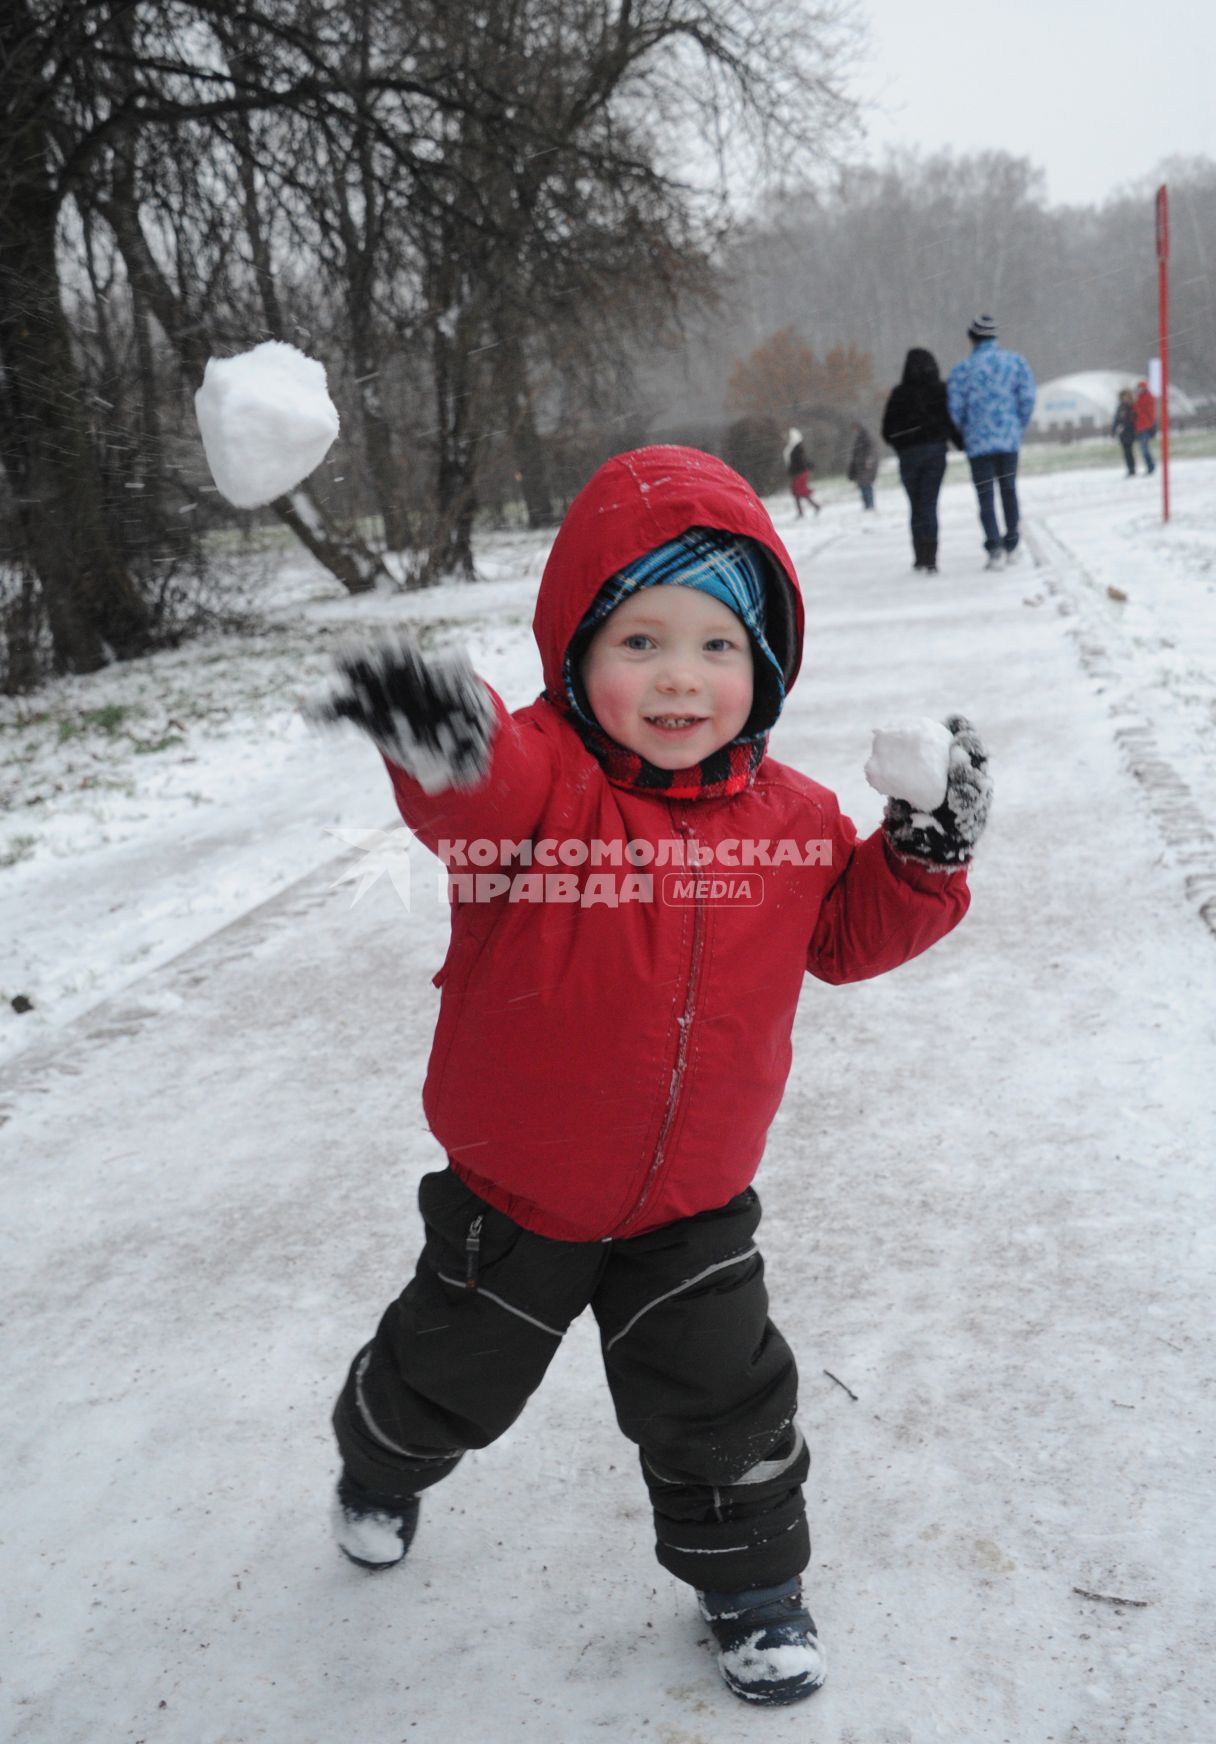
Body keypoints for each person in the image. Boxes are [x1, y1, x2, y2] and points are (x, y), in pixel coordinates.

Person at [310, 447, 991, 1709]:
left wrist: (918, 856)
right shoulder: (543, 791)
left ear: (765, 668)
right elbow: (474, 791)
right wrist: (441, 730)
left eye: (717, 646)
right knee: (444, 1379)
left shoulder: (790, 819)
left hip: (694, 1206)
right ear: (575, 655)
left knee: (724, 1406)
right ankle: (379, 1461)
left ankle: (750, 1588)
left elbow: (844, 938)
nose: (679, 674)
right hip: (516, 1195)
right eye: (639, 640)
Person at [946, 314, 1036, 571]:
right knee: (1009, 490)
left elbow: (955, 407)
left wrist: (966, 429)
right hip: (1008, 440)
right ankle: (1013, 542)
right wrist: (1017, 425)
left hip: (978, 443)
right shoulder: (1015, 363)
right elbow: (1027, 397)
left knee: (985, 496)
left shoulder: (962, 370)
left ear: (972, 339)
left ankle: (994, 546)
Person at [881, 348, 963, 573]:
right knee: (928, 504)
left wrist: (903, 443)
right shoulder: (940, 391)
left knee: (916, 506)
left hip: (908, 456)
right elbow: (950, 422)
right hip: (935, 453)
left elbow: (887, 431)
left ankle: (919, 555)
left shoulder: (899, 394)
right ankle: (931, 556)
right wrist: (959, 442)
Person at [783, 425, 822, 515]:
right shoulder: (794, 448)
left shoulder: (796, 449)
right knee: (797, 492)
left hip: (800, 473)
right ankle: (807, 509)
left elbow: (801, 460)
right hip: (798, 473)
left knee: (799, 491)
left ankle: (814, 507)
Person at [846, 422, 878, 512]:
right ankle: (867, 504)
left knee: (866, 485)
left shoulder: (865, 437)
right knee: (863, 486)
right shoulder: (859, 437)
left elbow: (871, 449)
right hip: (860, 466)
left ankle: (870, 504)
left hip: (865, 466)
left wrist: (869, 460)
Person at [1133, 379, 1158, 474]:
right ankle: (1150, 466)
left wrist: (1150, 424)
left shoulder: (1148, 397)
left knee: (1144, 448)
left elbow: (1148, 412)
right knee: (1143, 448)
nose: (1140, 389)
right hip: (1139, 427)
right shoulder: (1138, 397)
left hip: (1145, 427)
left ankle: (1150, 466)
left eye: (1141, 387)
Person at [1111, 388, 1137, 477]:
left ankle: (1132, 469)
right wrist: (1114, 430)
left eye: (1126, 396)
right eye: (1123, 396)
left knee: (1129, 451)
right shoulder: (1120, 407)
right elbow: (1116, 420)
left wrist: (1125, 425)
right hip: (1122, 433)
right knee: (1125, 452)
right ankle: (1129, 468)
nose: (1124, 398)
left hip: (1130, 431)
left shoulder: (1131, 406)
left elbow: (1132, 419)